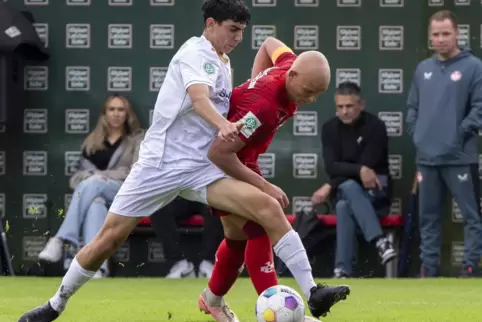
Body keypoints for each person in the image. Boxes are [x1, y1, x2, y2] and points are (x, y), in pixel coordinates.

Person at [18, 1, 345, 321]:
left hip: (202, 166)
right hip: (159, 164)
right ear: (211, 25)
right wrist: (226, 124)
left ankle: (312, 292)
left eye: (242, 31)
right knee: (109, 239)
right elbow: (199, 98)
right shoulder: (195, 54)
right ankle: (55, 304)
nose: (237, 38)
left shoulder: (225, 60)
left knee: (265, 212)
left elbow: (265, 55)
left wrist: (250, 91)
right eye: (232, 30)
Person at [197, 37, 349, 322]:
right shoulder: (263, 109)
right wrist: (264, 185)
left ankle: (212, 299)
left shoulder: (290, 64)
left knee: (238, 238)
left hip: (244, 158)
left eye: (318, 94)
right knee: (261, 221)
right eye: (307, 91)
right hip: (223, 163)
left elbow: (268, 43)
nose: (310, 99)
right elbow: (219, 153)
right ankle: (297, 301)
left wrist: (253, 82)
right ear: (292, 76)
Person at [406, 10, 482, 278]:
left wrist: (458, 134)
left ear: (457, 34)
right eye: (435, 34)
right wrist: (419, 136)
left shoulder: (474, 67)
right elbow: (412, 109)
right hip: (426, 159)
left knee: (472, 218)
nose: (440, 39)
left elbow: (479, 108)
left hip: (461, 157)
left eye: (445, 33)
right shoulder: (423, 69)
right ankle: (428, 271)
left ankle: (470, 268)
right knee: (428, 220)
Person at [38, 95, 144, 279]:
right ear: (104, 113)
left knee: (94, 183)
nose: (116, 114)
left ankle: (61, 239)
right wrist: (93, 178)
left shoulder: (137, 138)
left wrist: (101, 176)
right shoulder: (93, 140)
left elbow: (134, 172)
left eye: (121, 110)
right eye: (112, 109)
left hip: (125, 192)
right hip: (98, 194)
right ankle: (97, 268)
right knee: (95, 202)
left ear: (128, 114)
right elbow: (76, 178)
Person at [311, 82, 395, 278]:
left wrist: (331, 184)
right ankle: (380, 242)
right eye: (340, 107)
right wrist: (359, 169)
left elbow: (368, 163)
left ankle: (342, 269)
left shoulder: (376, 126)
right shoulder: (330, 128)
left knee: (342, 205)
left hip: (376, 194)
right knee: (347, 191)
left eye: (349, 106)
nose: (345, 111)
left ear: (361, 105)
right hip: (345, 189)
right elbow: (333, 167)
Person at [149, 196, 223, 278]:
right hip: (181, 195)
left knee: (217, 206)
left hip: (206, 195)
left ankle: (208, 263)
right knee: (158, 208)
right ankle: (180, 264)